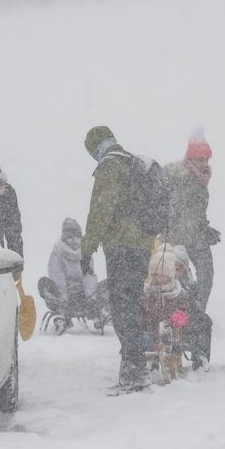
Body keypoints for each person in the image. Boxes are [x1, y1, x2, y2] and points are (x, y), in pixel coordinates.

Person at [80, 126, 158, 394]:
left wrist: (87, 247)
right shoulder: (133, 163)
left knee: (122, 309)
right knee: (132, 307)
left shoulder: (110, 165)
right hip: (143, 244)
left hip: (121, 245)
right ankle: (135, 371)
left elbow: (101, 208)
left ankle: (134, 374)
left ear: (96, 147)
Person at [163, 125, 221, 312]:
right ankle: (173, 311)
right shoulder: (175, 178)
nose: (204, 163)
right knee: (173, 276)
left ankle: (197, 311)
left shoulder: (201, 180)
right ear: (190, 158)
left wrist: (205, 227)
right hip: (175, 237)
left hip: (196, 236)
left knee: (206, 274)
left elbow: (196, 212)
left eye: (206, 159)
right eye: (200, 158)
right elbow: (173, 210)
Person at [39, 218, 106, 332]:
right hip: (63, 297)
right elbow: (57, 278)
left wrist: (91, 300)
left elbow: (89, 276)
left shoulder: (86, 253)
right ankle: (61, 314)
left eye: (78, 237)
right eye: (70, 237)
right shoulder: (57, 253)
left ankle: (98, 312)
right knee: (43, 283)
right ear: (64, 239)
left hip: (84, 296)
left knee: (109, 284)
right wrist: (64, 301)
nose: (75, 241)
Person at [141, 245, 193, 371]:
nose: (158, 278)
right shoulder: (147, 292)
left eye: (161, 275)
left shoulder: (177, 292)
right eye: (155, 275)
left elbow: (187, 311)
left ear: (169, 275)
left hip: (168, 335)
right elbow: (140, 311)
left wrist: (180, 316)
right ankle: (147, 366)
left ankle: (166, 362)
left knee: (170, 344)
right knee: (138, 340)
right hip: (148, 333)